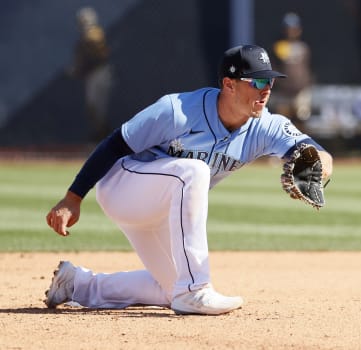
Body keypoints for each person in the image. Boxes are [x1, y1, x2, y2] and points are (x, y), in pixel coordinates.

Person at [44, 44, 333, 316]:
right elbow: (114, 144)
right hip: (123, 186)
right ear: (229, 84)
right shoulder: (177, 110)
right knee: (194, 171)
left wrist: (315, 171)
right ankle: (195, 290)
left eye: (269, 81)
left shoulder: (267, 126)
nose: (266, 89)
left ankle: (78, 284)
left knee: (170, 287)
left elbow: (317, 154)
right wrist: (73, 198)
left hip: (163, 206)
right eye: (257, 82)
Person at [67, 7, 113, 142]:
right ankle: (100, 134)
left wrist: (80, 67)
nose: (83, 23)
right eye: (81, 21)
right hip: (92, 75)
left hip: (101, 73)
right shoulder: (84, 37)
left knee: (98, 106)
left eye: (84, 20)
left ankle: (104, 136)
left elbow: (98, 53)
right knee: (92, 106)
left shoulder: (94, 34)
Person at [270, 12, 314, 132]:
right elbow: (273, 68)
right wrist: (280, 83)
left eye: (294, 28)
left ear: (299, 30)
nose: (291, 31)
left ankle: (302, 147)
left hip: (301, 92)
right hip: (283, 92)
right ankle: (281, 150)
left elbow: (307, 67)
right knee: (282, 122)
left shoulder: (303, 47)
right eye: (288, 28)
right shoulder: (278, 46)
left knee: (302, 119)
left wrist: (306, 83)